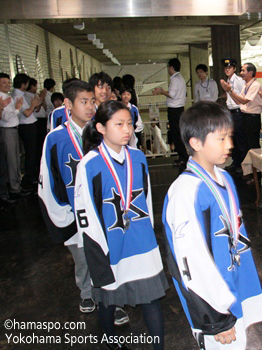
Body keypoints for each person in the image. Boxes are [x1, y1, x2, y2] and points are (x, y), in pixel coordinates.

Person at [162, 101, 262, 350]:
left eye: (229, 137)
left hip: (233, 286)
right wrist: (215, 319)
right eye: (221, 139)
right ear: (196, 143)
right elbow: (189, 262)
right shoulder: (185, 192)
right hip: (213, 303)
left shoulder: (224, 177)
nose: (230, 145)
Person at [75, 100, 168, 350]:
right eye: (119, 124)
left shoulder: (138, 157)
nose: (127, 130)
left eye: (129, 124)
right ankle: (112, 343)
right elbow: (85, 213)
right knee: (108, 299)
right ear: (101, 128)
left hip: (141, 241)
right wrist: (98, 254)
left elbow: (146, 199)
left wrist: (149, 233)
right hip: (109, 246)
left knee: (152, 298)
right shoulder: (89, 164)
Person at [38, 80, 97, 315]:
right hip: (73, 210)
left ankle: (111, 301)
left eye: (92, 101)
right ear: (68, 104)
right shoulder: (55, 138)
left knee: (105, 256)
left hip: (100, 207)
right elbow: (48, 177)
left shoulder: (101, 132)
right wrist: (62, 210)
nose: (91, 106)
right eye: (84, 102)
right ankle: (86, 293)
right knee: (82, 258)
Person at [220, 62, 262, 164]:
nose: (241, 73)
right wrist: (229, 92)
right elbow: (238, 101)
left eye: (243, 70)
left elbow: (244, 101)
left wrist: (230, 91)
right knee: (246, 144)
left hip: (252, 117)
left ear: (251, 72)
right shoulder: (246, 85)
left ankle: (257, 173)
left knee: (253, 145)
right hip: (245, 116)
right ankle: (249, 170)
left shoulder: (255, 85)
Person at [153, 58, 187, 166]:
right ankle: (183, 156)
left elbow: (172, 94)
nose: (168, 69)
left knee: (176, 134)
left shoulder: (174, 79)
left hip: (174, 109)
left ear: (172, 67)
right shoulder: (180, 78)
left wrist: (161, 91)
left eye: (168, 67)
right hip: (180, 108)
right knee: (178, 133)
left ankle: (183, 157)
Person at [13, 73, 41, 191]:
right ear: (24, 84)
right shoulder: (17, 96)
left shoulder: (21, 95)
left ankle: (31, 176)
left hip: (30, 125)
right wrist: (33, 104)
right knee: (30, 153)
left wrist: (36, 104)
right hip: (26, 126)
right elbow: (27, 113)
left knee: (32, 152)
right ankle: (28, 180)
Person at [0, 73, 25, 202]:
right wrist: (18, 108)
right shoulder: (1, 98)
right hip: (7, 131)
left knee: (16, 159)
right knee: (11, 161)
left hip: (14, 130)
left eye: (8, 82)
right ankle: (14, 189)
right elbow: (6, 117)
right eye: (4, 83)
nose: (7, 85)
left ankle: (17, 186)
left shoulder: (8, 97)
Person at [220, 58, 245, 172]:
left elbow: (241, 97)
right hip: (231, 111)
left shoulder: (239, 80)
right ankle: (236, 161)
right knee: (233, 137)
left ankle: (241, 163)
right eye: (225, 68)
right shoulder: (228, 80)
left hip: (238, 111)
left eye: (229, 68)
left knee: (240, 138)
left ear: (234, 69)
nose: (227, 70)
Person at [26, 78, 48, 172]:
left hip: (41, 120)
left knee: (40, 145)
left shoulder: (35, 95)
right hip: (36, 121)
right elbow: (36, 110)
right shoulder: (27, 96)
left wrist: (42, 99)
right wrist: (41, 97)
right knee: (35, 147)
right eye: (35, 85)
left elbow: (44, 107)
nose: (36, 88)